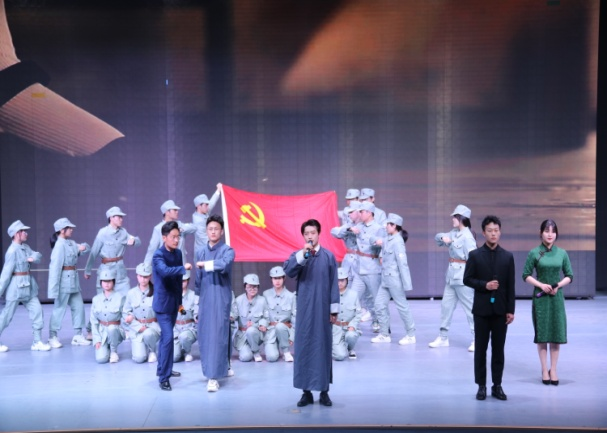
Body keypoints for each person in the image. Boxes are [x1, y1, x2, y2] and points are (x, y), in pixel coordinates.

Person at [284, 219, 339, 407]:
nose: (310, 236)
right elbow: (289, 271)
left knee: (322, 347)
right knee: (304, 347)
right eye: (306, 233)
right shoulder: (299, 256)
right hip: (305, 309)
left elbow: (334, 283)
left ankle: (324, 392)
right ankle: (305, 392)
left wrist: (333, 309)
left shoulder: (328, 257)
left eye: (313, 233)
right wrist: (303, 255)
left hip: (322, 308)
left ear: (318, 233)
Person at [463, 215, 515, 401]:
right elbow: (467, 279)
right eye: (490, 231)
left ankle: (497, 385)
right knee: (481, 350)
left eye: (496, 230)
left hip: (500, 311)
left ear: (500, 232)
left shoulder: (507, 257)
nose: (493, 234)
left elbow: (510, 286)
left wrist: (511, 310)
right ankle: (481, 386)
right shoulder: (475, 255)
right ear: (484, 233)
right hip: (481, 311)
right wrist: (485, 285)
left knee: (498, 350)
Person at [522, 219, 573, 386]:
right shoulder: (534, 252)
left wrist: (558, 285)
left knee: (556, 334)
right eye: (546, 231)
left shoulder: (562, 253)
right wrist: (541, 285)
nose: (550, 234)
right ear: (540, 233)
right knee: (543, 335)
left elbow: (569, 275)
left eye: (553, 231)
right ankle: (544, 369)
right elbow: (526, 275)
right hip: (541, 298)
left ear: (556, 234)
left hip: (556, 298)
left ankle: (554, 369)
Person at [195, 214, 235, 392]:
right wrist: (197, 300)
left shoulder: (228, 250)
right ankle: (219, 367)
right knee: (207, 334)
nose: (213, 232)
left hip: (220, 295)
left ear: (222, 231)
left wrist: (205, 264)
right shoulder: (200, 251)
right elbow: (198, 278)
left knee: (219, 333)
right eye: (210, 229)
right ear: (206, 231)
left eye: (216, 229)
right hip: (205, 296)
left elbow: (224, 265)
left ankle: (213, 377)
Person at [429, 205, 477, 352]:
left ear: (462, 218)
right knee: (446, 307)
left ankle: (478, 338)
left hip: (463, 278)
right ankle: (443, 337)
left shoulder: (467, 237)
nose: (453, 219)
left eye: (455, 217)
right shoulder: (454, 233)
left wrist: (471, 278)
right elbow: (438, 238)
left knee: (470, 309)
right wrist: (443, 238)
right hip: (451, 276)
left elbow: (473, 259)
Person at [152, 221, 191, 391]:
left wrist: (180, 303)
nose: (176, 240)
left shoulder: (178, 253)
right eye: (173, 237)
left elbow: (178, 280)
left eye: (178, 237)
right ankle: (164, 378)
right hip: (162, 305)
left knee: (165, 339)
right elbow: (165, 272)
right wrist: (183, 268)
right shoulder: (158, 255)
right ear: (164, 238)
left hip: (174, 303)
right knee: (168, 338)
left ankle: (163, 368)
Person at [0, 220, 50, 352]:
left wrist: (33, 258)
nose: (26, 233)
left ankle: (37, 341)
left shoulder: (25, 247)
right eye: (23, 231)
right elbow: (5, 274)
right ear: (17, 234)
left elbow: (37, 255)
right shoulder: (12, 251)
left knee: (37, 311)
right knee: (6, 317)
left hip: (28, 287)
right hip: (15, 288)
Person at [370, 213, 416, 345]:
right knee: (379, 305)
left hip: (394, 280)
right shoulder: (388, 239)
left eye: (388, 225)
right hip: (385, 279)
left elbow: (403, 263)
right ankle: (384, 334)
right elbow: (374, 241)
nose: (386, 226)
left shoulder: (397, 241)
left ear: (394, 226)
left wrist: (407, 284)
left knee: (402, 307)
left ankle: (411, 334)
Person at [47, 218, 91, 348]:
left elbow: (86, 249)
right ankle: (52, 336)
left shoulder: (71, 243)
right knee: (59, 309)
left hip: (74, 282)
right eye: (69, 228)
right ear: (62, 230)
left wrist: (83, 247)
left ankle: (78, 335)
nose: (72, 230)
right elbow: (54, 269)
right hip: (63, 283)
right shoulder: (59, 246)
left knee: (79, 307)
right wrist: (53, 290)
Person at [84, 206, 141, 295]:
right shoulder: (103, 233)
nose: (121, 219)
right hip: (106, 270)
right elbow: (93, 253)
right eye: (119, 217)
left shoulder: (123, 232)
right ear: (111, 218)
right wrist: (87, 270)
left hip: (120, 272)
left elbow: (138, 242)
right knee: (104, 298)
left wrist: (134, 241)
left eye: (122, 217)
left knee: (125, 297)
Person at [349, 201, 385, 332]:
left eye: (362, 211)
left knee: (376, 299)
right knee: (352, 297)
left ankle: (381, 324)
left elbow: (384, 246)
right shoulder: (358, 226)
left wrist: (382, 257)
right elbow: (336, 233)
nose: (360, 214)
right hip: (359, 268)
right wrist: (349, 230)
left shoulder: (378, 228)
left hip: (372, 268)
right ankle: (351, 324)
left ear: (369, 213)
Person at [123, 263, 161, 363]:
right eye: (140, 276)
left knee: (148, 334)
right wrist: (137, 325)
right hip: (137, 329)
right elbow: (126, 312)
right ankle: (143, 348)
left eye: (146, 277)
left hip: (153, 327)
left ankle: (152, 350)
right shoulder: (131, 293)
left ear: (150, 276)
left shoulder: (157, 292)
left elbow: (162, 312)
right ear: (137, 276)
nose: (143, 279)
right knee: (139, 359)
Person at [144, 200, 196, 266]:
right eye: (174, 210)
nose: (177, 212)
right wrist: (146, 266)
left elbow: (194, 228)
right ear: (167, 212)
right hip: (166, 264)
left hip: (181, 264)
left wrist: (181, 229)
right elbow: (152, 249)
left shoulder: (180, 225)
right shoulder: (158, 228)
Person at [90, 268, 125, 363]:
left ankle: (114, 351)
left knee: (111, 328)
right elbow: (93, 321)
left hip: (115, 330)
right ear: (101, 282)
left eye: (109, 281)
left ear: (113, 282)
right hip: (102, 332)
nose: (106, 284)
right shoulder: (96, 299)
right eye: (104, 281)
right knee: (101, 359)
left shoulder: (120, 297)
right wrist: (97, 339)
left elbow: (126, 316)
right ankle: (106, 348)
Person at [231, 274, 269, 362]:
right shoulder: (238, 300)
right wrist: (231, 317)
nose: (252, 289)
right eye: (249, 287)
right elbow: (234, 315)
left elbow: (266, 318)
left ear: (258, 287)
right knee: (246, 357)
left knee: (251, 330)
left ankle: (256, 352)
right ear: (245, 287)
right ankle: (248, 350)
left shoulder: (262, 300)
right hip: (242, 336)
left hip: (255, 334)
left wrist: (259, 325)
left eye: (255, 287)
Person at [263, 266, 296, 362]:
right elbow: (264, 314)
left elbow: (295, 317)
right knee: (271, 358)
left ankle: (286, 351)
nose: (277, 281)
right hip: (271, 331)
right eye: (275, 278)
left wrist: (292, 335)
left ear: (284, 278)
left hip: (284, 330)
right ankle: (275, 348)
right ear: (271, 279)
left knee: (280, 326)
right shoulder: (266, 294)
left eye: (279, 278)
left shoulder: (291, 296)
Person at [332, 267, 362, 360]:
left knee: (351, 335)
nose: (340, 283)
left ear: (347, 280)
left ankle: (350, 348)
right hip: (335, 329)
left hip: (348, 327)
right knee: (339, 356)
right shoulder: (329, 294)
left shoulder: (353, 294)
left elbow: (358, 314)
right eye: (337, 280)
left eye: (342, 280)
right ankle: (336, 346)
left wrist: (352, 325)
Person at [173, 270, 199, 363]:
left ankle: (188, 351)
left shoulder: (194, 296)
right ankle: (180, 350)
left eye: (183, 281)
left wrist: (197, 317)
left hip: (189, 328)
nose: (181, 283)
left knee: (184, 337)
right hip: (175, 329)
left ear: (187, 281)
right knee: (174, 358)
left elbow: (196, 312)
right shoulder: (171, 296)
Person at [192, 183, 222, 258]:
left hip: (209, 249)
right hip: (202, 253)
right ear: (199, 206)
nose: (208, 206)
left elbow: (211, 203)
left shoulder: (203, 211)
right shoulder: (198, 221)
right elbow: (204, 239)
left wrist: (218, 190)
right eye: (206, 205)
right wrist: (218, 246)